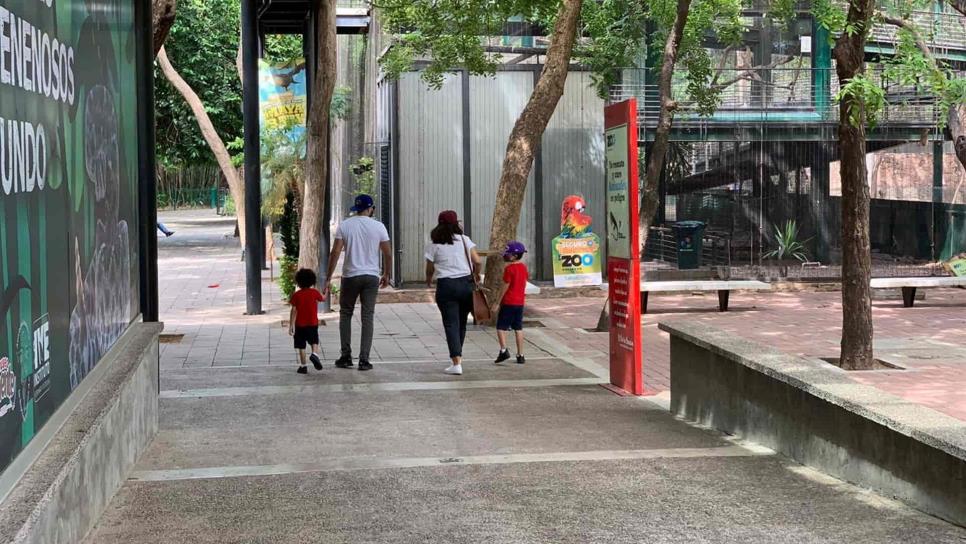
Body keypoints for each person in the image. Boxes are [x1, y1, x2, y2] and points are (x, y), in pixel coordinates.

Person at [324, 194, 392, 372]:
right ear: (370, 209)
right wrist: (386, 273)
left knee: (346, 313)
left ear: (356, 208)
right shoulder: (379, 227)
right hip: (371, 276)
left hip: (350, 275)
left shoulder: (345, 225)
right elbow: (388, 253)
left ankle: (346, 356)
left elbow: (336, 252)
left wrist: (328, 276)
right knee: (367, 316)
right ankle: (364, 360)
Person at [425, 210, 480, 376]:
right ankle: (457, 359)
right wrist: (476, 274)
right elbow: (477, 260)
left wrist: (428, 280)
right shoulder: (464, 240)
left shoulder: (434, 244)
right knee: (461, 323)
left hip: (446, 286)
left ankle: (456, 362)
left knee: (451, 324)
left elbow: (429, 267)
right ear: (456, 223)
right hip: (466, 284)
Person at [494, 241, 528, 365]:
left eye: (507, 254)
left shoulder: (509, 269)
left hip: (509, 302)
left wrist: (497, 302)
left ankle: (503, 350)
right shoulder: (523, 268)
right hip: (520, 302)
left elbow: (505, 287)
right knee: (518, 328)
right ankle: (520, 355)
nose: (505, 256)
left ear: (514, 255)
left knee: (500, 327)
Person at [289, 268, 325, 374]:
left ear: (298, 282)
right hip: (313, 323)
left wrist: (291, 325)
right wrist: (327, 291)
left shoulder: (296, 295)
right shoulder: (314, 293)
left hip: (300, 324)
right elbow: (323, 298)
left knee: (301, 345)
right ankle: (314, 354)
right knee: (314, 341)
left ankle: (303, 366)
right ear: (312, 281)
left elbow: (293, 310)